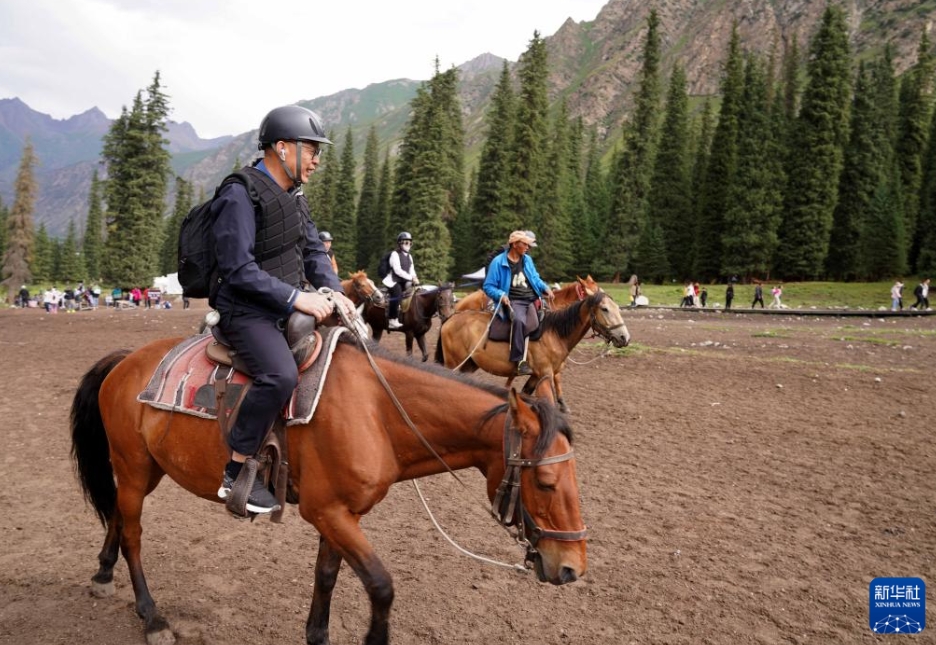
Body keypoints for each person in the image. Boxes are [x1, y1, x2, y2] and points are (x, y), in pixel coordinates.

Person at [211, 105, 357, 517]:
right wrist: (298, 299)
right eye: (311, 149)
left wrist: (332, 289)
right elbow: (237, 269)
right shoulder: (238, 193)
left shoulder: (295, 196)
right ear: (281, 148)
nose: (316, 159)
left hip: (283, 308)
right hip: (245, 311)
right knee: (280, 375)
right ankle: (235, 470)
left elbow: (313, 250)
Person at [483, 230, 554, 376]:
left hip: (531, 299)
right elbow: (488, 286)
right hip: (513, 300)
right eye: (525, 244)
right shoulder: (498, 262)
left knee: (534, 323)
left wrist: (545, 287)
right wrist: (501, 295)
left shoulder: (527, 260)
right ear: (515, 244)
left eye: (528, 244)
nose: (528, 247)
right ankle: (518, 360)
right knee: (519, 321)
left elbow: (535, 278)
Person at [382, 231, 419, 329]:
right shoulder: (395, 254)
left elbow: (411, 269)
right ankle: (392, 319)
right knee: (397, 293)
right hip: (393, 281)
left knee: (414, 291)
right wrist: (411, 278)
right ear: (400, 243)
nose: (408, 244)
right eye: (405, 242)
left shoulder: (409, 256)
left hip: (403, 280)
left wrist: (415, 278)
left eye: (409, 242)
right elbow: (397, 270)